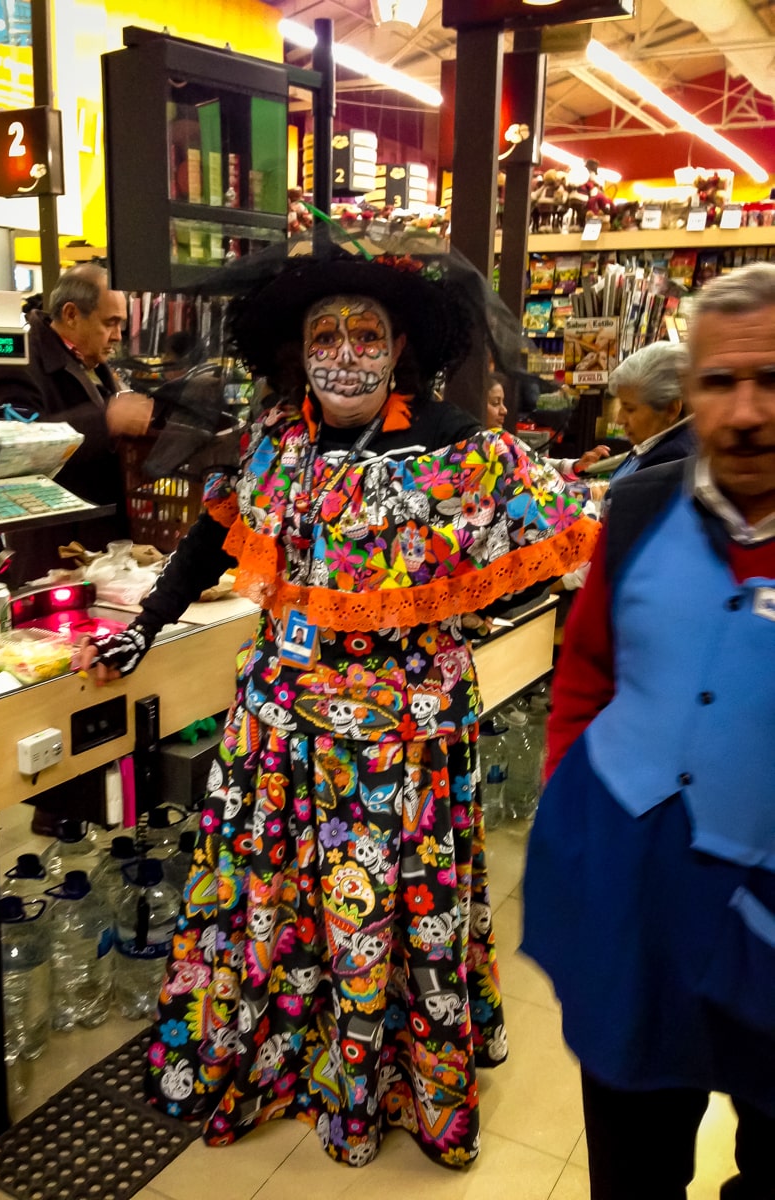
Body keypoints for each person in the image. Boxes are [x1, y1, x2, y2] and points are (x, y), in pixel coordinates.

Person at [78, 242, 599, 1168]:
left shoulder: (460, 448)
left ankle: (377, 1082)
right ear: (300, 350)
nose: (346, 354)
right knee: (272, 894)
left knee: (384, 906)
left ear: (400, 348)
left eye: (367, 335)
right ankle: (274, 1051)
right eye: (326, 335)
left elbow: (563, 537)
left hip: (400, 741)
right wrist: (145, 625)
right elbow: (213, 537)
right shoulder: (278, 441)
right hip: (278, 729)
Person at [520, 261, 775, 1199]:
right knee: (633, 1160)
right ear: (689, 396)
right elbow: (588, 669)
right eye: (720, 381)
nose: (746, 411)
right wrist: (572, 810)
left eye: (771, 380)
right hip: (639, 913)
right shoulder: (636, 509)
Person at [0, 263, 155, 584]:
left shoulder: (93, 363)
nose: (118, 335)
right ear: (71, 315)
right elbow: (17, 446)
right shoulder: (20, 363)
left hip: (100, 545)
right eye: (110, 322)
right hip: (54, 551)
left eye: (120, 324)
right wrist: (105, 420)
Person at [604, 338, 697, 488]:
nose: (619, 419)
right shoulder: (653, 448)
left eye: (630, 409)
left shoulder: (670, 463)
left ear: (671, 409)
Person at [485, 371, 610, 478]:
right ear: (478, 405)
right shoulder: (477, 445)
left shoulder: (505, 441)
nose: (504, 410)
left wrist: (576, 466)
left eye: (503, 403)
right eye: (495, 403)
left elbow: (536, 464)